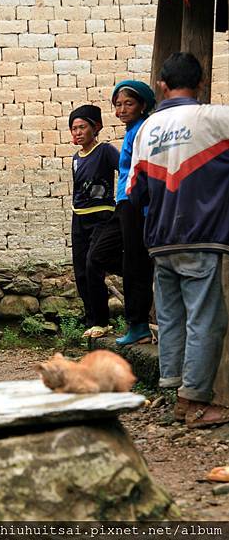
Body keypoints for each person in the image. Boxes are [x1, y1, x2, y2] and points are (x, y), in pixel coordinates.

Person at [127, 52, 229, 428]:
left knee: (171, 319)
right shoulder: (216, 118)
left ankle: (175, 396)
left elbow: (134, 192)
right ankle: (197, 401)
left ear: (162, 86)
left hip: (159, 239)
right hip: (202, 235)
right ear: (201, 84)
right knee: (206, 320)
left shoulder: (145, 130)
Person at [87, 81, 156, 345]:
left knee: (133, 261)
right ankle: (144, 271)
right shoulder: (131, 131)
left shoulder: (143, 131)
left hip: (135, 202)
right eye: (118, 105)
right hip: (123, 203)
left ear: (142, 105)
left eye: (129, 103)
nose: (122, 109)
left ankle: (137, 325)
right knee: (98, 256)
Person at [69, 104, 120, 339]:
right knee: (80, 271)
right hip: (79, 217)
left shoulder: (106, 151)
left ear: (96, 127)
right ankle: (91, 321)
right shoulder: (75, 158)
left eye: (82, 127)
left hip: (102, 216)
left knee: (93, 265)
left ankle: (102, 321)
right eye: (73, 128)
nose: (77, 132)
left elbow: (125, 171)